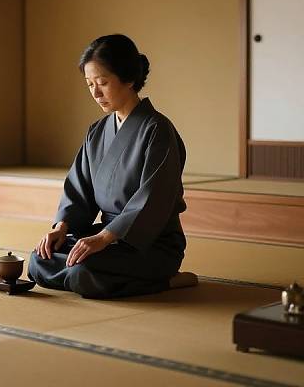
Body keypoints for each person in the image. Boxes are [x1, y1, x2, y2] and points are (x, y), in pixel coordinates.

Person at [28, 34, 197, 299]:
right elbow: (78, 190)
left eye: (103, 83)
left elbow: (153, 200)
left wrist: (106, 237)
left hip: (149, 244)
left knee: (83, 270)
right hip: (105, 240)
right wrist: (61, 228)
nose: (95, 93)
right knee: (40, 260)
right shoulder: (97, 131)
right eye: (89, 84)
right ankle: (91, 274)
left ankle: (166, 280)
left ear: (129, 79)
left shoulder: (158, 130)